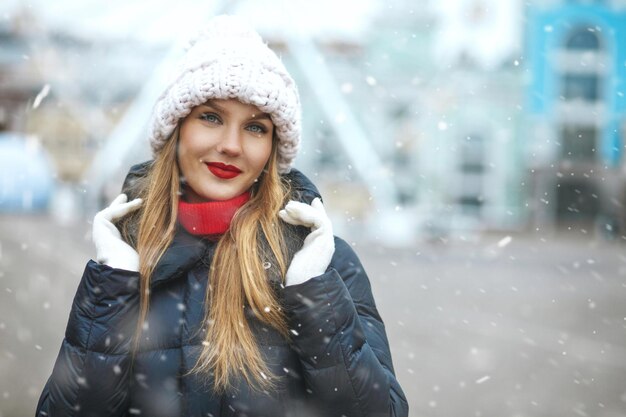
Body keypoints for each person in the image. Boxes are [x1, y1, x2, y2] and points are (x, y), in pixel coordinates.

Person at [36, 15, 408, 417]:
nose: (231, 145)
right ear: (177, 129)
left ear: (272, 148)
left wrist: (313, 292)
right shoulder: (125, 263)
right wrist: (116, 282)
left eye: (255, 127)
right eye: (211, 117)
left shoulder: (322, 264)